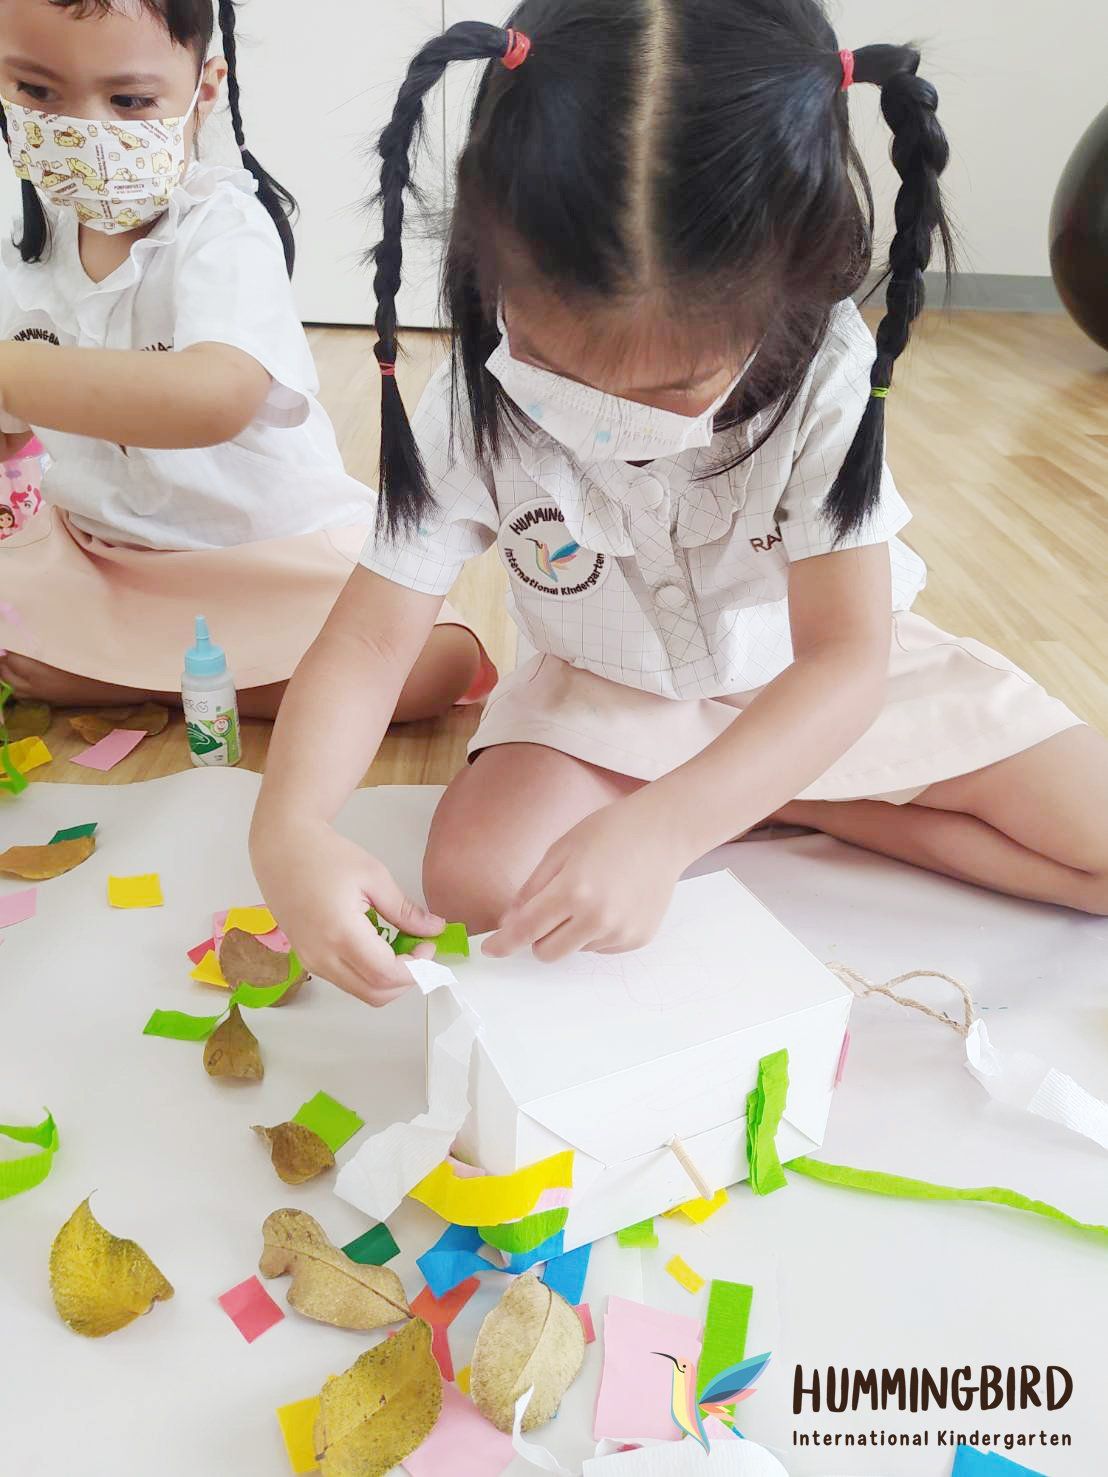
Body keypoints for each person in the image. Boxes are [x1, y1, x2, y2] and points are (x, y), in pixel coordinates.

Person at [251, 0, 1108, 1005]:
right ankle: (777, 797)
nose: (605, 416)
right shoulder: (468, 404)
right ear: (488, 265)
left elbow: (846, 660)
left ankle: (800, 798)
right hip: (613, 696)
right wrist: (291, 830)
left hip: (813, 687)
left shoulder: (827, 380)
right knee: (483, 884)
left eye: (671, 386)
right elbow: (365, 645)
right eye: (552, 361)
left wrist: (668, 825)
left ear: (789, 285)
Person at [0, 0, 491, 718]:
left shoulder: (223, 227)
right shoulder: (25, 240)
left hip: (262, 552)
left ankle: (145, 679)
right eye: (39, 93)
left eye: (130, 100)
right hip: (103, 555)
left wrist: (14, 377)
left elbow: (215, 397)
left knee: (429, 662)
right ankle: (166, 670)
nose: (86, 131)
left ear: (201, 92)